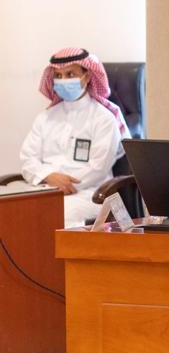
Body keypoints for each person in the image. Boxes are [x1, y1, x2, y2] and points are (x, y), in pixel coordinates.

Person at [20, 48, 131, 227]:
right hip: (44, 188)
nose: (63, 80)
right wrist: (48, 176)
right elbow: (28, 159)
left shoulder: (104, 118)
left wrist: (63, 185)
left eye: (70, 74)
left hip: (89, 193)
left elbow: (98, 168)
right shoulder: (46, 117)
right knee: (14, 209)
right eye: (58, 75)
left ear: (87, 77)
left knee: (57, 212)